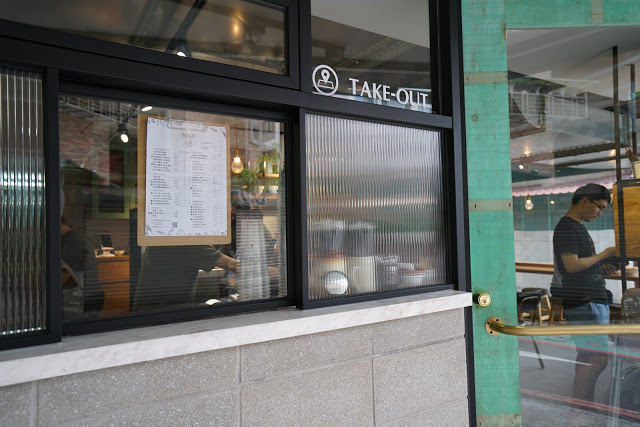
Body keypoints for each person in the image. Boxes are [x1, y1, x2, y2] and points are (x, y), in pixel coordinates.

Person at [551, 183, 618, 402]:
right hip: (585, 302)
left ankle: (582, 405)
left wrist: (601, 268)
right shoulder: (567, 227)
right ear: (585, 200)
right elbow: (571, 266)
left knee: (588, 356)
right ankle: (580, 407)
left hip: (588, 300)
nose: (600, 213)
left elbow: (580, 267)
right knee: (597, 358)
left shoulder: (575, 226)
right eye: (600, 207)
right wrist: (604, 254)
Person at [131, 245, 239, 313]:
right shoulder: (187, 243)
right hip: (162, 315)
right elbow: (233, 265)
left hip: (145, 313)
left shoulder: (162, 238)